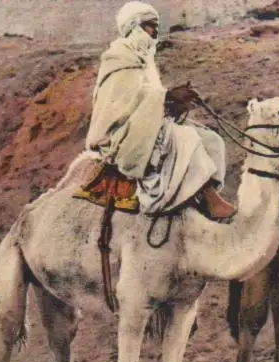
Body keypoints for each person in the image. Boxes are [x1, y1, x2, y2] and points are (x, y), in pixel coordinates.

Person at [85, 1, 236, 222]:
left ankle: (202, 196)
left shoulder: (143, 58)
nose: (154, 31)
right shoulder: (118, 58)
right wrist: (167, 96)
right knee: (185, 138)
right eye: (150, 26)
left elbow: (146, 98)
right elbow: (122, 105)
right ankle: (210, 199)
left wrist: (174, 102)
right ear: (135, 26)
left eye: (155, 26)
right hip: (120, 134)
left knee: (211, 139)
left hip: (143, 125)